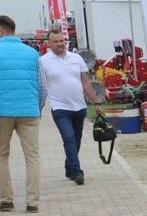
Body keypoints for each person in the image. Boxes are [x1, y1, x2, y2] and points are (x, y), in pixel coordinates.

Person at [0, 15, 48, 212]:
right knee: (32, 155)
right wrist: (37, 107)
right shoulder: (32, 53)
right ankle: (32, 202)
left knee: (1, 154)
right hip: (29, 112)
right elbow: (43, 86)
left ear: (1, 30)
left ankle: (7, 200)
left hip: (2, 113)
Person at [38, 29, 101, 185]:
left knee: (77, 139)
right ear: (49, 43)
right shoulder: (43, 61)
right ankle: (77, 171)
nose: (60, 44)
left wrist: (96, 102)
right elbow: (39, 86)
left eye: (62, 41)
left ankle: (69, 166)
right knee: (69, 138)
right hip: (60, 108)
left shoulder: (76, 58)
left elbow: (85, 82)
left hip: (79, 107)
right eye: (56, 41)